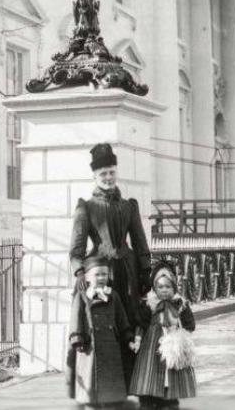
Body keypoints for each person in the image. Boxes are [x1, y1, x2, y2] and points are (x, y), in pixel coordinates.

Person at [70, 143, 152, 384]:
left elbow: (139, 240)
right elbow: (75, 250)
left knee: (130, 322)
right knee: (104, 326)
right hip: (99, 273)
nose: (108, 177)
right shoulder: (87, 207)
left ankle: (130, 383)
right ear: (95, 175)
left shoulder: (128, 206)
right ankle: (103, 385)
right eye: (103, 173)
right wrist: (80, 274)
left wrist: (145, 269)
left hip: (127, 273)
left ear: (117, 173)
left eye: (111, 172)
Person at [66, 256, 138, 407]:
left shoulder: (113, 296)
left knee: (110, 389)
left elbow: (121, 321)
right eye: (97, 274)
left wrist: (129, 338)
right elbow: (75, 320)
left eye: (104, 274)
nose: (101, 278)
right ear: (87, 277)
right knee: (91, 384)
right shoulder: (83, 297)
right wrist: (77, 338)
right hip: (89, 348)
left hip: (111, 348)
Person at [129, 262, 197, 409]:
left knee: (170, 370)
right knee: (149, 370)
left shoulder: (180, 304)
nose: (164, 290)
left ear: (174, 287)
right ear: (154, 288)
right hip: (151, 345)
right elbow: (141, 323)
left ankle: (169, 398)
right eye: (160, 287)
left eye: (168, 287)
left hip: (173, 344)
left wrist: (183, 337)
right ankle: (149, 397)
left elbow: (189, 323)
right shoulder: (150, 304)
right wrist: (138, 338)